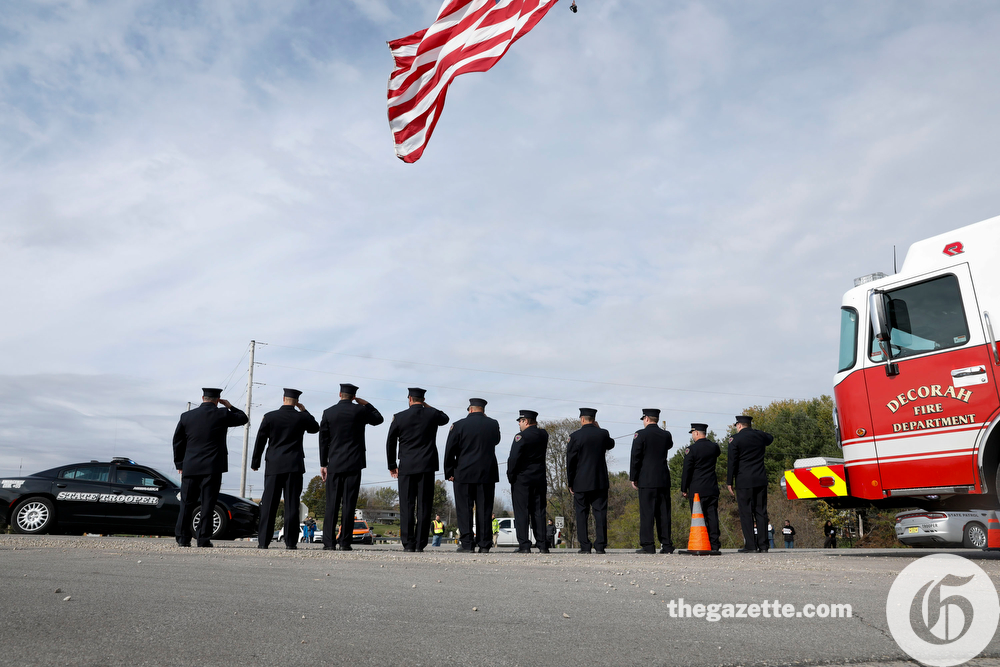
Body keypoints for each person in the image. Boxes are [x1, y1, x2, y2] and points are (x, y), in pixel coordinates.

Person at [172, 388, 249, 548]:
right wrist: (229, 406)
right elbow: (243, 418)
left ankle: (182, 538)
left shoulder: (187, 416)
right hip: (212, 467)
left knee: (187, 503)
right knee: (208, 503)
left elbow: (178, 441)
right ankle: (203, 538)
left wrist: (180, 464)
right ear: (217, 399)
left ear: (202, 398)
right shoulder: (222, 414)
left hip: (191, 466)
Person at [251, 388, 320, 550]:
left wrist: (255, 462)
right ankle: (290, 542)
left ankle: (263, 542)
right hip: (294, 466)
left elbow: (260, 440)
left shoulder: (270, 417)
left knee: (269, 504)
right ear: (296, 402)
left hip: (274, 465)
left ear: (283, 398)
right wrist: (305, 411)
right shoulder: (301, 417)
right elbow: (315, 428)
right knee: (292, 504)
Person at [319, 383, 384, 551]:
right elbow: (378, 419)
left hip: (334, 463)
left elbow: (323, 441)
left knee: (331, 504)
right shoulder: (360, 411)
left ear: (339, 394)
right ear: (354, 396)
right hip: (354, 463)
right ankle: (345, 542)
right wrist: (366, 404)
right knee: (349, 504)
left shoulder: (328, 412)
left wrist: (323, 464)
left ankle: (328, 542)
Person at [387, 387, 449, 553]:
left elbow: (391, 442)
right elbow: (445, 418)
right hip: (426, 466)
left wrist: (392, 465)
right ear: (422, 399)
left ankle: (408, 543)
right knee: (424, 504)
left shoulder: (399, 417)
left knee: (407, 505)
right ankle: (420, 543)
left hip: (406, 466)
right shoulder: (431, 414)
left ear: (409, 399)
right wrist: (427, 406)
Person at [444, 398, 501, 553]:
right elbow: (496, 441)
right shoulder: (493, 424)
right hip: (486, 473)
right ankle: (484, 544)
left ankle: (467, 544)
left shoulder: (458, 425)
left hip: (463, 472)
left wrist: (449, 471)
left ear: (470, 409)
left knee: (464, 509)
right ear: (483, 409)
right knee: (485, 509)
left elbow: (450, 449)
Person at [566, 407, 615, 554]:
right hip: (599, 481)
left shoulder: (574, 436)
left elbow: (570, 462)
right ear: (594, 419)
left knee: (582, 514)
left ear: (582, 419)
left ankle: (585, 546)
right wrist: (599, 429)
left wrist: (570, 482)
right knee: (600, 513)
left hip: (580, 481)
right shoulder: (603, 434)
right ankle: (600, 545)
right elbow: (611, 444)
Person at [727, 415, 774, 553]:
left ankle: (751, 545)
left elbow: (732, 462)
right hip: (760, 479)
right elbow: (770, 437)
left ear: (739, 425)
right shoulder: (759, 436)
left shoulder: (735, 440)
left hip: (744, 481)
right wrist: (756, 431)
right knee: (761, 512)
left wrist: (729, 482)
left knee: (746, 512)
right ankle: (763, 545)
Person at [629, 408, 674, 554]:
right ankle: (666, 544)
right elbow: (669, 445)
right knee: (664, 513)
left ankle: (648, 545)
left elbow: (635, 457)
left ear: (647, 418)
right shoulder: (666, 435)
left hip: (646, 479)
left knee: (647, 512)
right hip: (662, 478)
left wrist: (633, 477)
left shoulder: (640, 435)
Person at [507, 409, 549, 553]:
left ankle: (524, 545)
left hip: (522, 479)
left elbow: (513, 458)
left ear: (525, 421)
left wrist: (511, 476)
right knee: (539, 511)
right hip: (539, 478)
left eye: (520, 421)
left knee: (522, 512)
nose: (519, 424)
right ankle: (543, 545)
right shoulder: (543, 435)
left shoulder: (520, 436)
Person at [679, 423, 721, 553]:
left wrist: (684, 488)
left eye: (692, 433)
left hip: (697, 489)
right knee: (712, 516)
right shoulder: (714, 447)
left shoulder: (691, 449)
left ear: (696, 433)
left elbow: (687, 471)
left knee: (698, 517)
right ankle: (714, 544)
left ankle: (701, 543)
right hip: (712, 487)